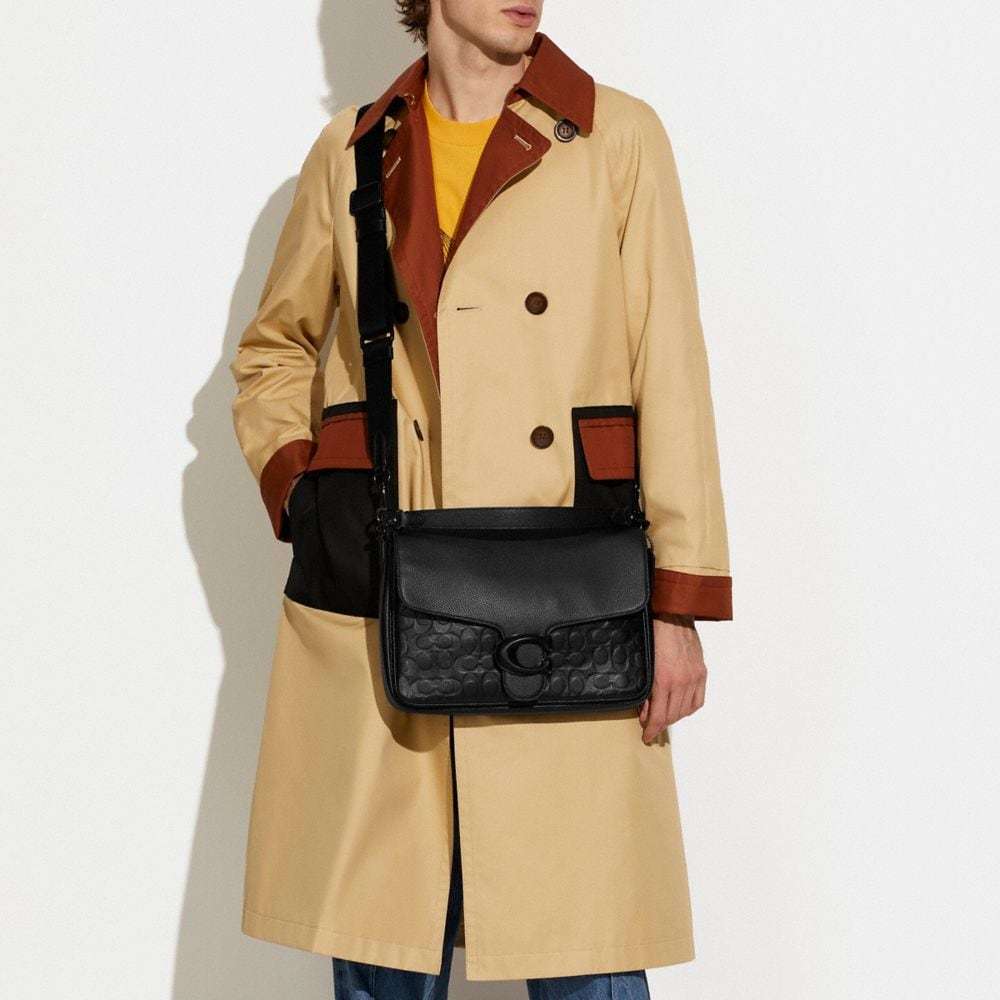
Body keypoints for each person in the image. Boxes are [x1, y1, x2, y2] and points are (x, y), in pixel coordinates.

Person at [229, 1, 732, 997]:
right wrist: (306, 487)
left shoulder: (614, 137)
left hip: (569, 584)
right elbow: (274, 348)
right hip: (387, 580)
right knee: (385, 938)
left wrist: (676, 602)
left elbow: (669, 367)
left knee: (583, 944)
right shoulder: (353, 151)